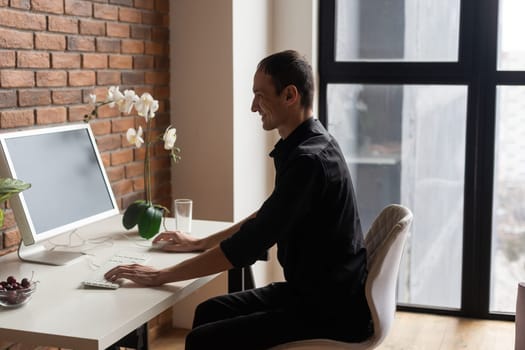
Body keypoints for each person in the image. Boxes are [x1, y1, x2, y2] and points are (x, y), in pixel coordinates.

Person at [105, 50, 372, 349]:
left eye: (260, 95)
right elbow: (267, 218)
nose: (253, 106)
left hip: (331, 310)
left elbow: (248, 246)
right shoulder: (309, 144)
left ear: (289, 95)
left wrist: (162, 276)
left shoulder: (308, 160)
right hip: (321, 293)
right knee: (208, 312)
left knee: (201, 341)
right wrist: (198, 243)